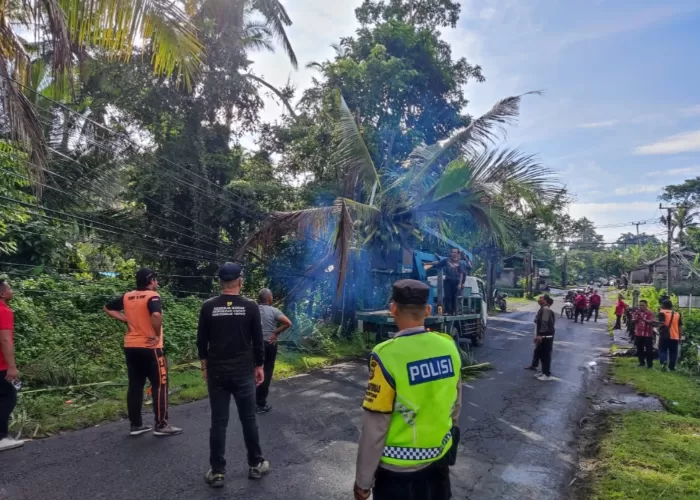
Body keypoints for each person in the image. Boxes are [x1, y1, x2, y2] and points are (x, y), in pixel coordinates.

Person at [353, 279, 462, 500]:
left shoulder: (385, 355)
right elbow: (455, 406)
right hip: (439, 466)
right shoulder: (449, 346)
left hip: (397, 478)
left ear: (393, 308)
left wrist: (363, 482)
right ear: (428, 310)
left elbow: (375, 426)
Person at [197, 263, 269, 487]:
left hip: (218, 372)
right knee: (248, 418)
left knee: (218, 422)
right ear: (240, 281)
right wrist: (259, 366)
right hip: (243, 372)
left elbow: (202, 342)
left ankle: (217, 472)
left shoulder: (208, 307)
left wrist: (205, 367)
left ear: (220, 282)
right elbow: (258, 341)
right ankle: (256, 464)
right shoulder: (250, 306)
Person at [104, 268, 182, 437]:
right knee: (160, 385)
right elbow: (155, 314)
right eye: (155, 280)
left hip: (131, 347)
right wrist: (155, 334)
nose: (157, 283)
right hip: (151, 347)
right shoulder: (152, 296)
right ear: (150, 280)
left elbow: (108, 308)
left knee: (135, 386)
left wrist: (126, 319)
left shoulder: (127, 296)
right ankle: (161, 425)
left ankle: (136, 425)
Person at [255, 288, 292, 414]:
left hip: (253, 345)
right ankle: (260, 405)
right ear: (269, 298)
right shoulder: (274, 310)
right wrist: (275, 332)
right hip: (269, 344)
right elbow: (288, 323)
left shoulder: (252, 309)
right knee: (266, 372)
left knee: (253, 371)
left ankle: (249, 403)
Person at [0, 280, 23, 452]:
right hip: (1, 364)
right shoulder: (4, 311)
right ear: (2, 294)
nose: (12, 291)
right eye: (10, 288)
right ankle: (1, 437)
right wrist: (12, 367)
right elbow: (5, 340)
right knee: (8, 397)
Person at [425, 248, 467, 315]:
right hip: (448, 280)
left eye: (455, 252)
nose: (453, 254)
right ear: (451, 253)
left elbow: (462, 274)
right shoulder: (447, 260)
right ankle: (447, 311)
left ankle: (453, 311)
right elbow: (438, 263)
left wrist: (460, 283)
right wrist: (428, 263)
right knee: (447, 296)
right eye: (452, 252)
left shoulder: (460, 262)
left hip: (456, 281)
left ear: (458, 253)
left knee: (454, 297)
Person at [528, 295, 555, 381]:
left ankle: (546, 375)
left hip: (545, 336)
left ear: (546, 300)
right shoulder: (542, 309)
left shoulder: (546, 309)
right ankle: (544, 372)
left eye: (541, 298)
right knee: (541, 354)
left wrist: (540, 335)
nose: (539, 300)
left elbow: (544, 323)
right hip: (543, 335)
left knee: (545, 355)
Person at [658, 299, 682, 371]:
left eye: (661, 304)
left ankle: (663, 363)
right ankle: (672, 367)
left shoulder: (662, 312)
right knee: (673, 352)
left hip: (665, 336)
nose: (661, 306)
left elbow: (661, 324)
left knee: (662, 350)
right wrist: (680, 337)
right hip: (675, 336)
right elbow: (680, 327)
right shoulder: (677, 314)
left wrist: (658, 329)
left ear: (664, 305)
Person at [632, 300, 655, 369]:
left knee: (649, 350)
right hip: (638, 333)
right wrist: (636, 319)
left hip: (647, 334)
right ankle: (641, 362)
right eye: (640, 305)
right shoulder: (637, 312)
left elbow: (651, 322)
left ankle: (649, 364)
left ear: (646, 305)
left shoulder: (650, 313)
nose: (641, 307)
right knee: (639, 349)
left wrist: (644, 319)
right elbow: (632, 320)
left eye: (643, 305)